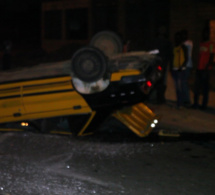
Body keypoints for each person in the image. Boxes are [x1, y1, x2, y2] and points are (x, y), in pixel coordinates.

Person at [192, 29, 215, 110]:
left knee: (205, 88)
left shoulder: (211, 44)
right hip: (199, 68)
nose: (205, 35)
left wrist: (208, 66)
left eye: (206, 34)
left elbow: (212, 56)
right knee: (197, 87)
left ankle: (204, 105)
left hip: (205, 69)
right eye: (204, 33)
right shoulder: (201, 44)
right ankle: (195, 104)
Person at [149, 26, 173, 104]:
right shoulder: (162, 42)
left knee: (159, 81)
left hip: (160, 64)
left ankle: (159, 98)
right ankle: (159, 98)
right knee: (159, 81)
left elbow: (170, 55)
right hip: (159, 64)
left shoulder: (163, 42)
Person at [171, 31, 188, 108]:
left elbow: (186, 59)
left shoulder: (183, 47)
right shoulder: (174, 47)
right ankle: (179, 102)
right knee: (177, 87)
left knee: (180, 86)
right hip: (175, 69)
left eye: (178, 38)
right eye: (176, 38)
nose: (177, 39)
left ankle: (181, 102)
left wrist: (181, 67)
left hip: (180, 70)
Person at [181, 29, 193, 107]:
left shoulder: (188, 43)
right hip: (187, 65)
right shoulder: (189, 43)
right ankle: (185, 100)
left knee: (184, 83)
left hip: (186, 65)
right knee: (183, 83)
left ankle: (187, 101)